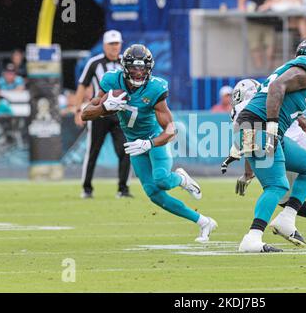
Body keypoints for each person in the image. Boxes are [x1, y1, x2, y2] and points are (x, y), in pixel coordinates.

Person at [81, 44, 218, 243]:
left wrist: (150, 144)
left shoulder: (155, 87)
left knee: (161, 179)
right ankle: (203, 222)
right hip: (132, 141)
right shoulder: (111, 81)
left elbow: (171, 130)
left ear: (150, 68)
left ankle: (181, 179)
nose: (138, 72)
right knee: (154, 193)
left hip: (153, 137)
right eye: (134, 67)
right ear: (124, 67)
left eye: (143, 67)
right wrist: (103, 106)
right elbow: (85, 114)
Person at [229, 38, 306, 252]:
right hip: (257, 127)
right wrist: (272, 127)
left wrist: (247, 164)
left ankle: (287, 218)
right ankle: (252, 238)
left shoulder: (296, 72)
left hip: (251, 127)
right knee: (277, 185)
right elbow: (277, 86)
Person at [223, 78, 306, 244]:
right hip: (283, 146)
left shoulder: (243, 109)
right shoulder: (271, 101)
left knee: (284, 194)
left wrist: (248, 173)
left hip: (281, 147)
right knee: (293, 188)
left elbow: (249, 141)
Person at [74, 30, 132, 199]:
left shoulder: (126, 62)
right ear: (105, 45)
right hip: (99, 113)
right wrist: (78, 110)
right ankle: (87, 188)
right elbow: (82, 85)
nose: (115, 47)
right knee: (93, 151)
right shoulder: (94, 63)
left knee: (125, 150)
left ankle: (123, 188)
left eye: (117, 44)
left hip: (120, 114)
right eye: (111, 44)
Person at [237, 0, 279, 71]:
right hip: (253, 22)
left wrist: (269, 3)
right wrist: (242, 7)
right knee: (255, 47)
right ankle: (259, 72)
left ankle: (270, 71)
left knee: (271, 47)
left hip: (269, 22)